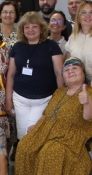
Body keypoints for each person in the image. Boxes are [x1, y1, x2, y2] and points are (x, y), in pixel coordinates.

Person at [14, 57, 92, 175]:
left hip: (77, 135)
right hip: (50, 129)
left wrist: (87, 101)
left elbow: (90, 118)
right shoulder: (60, 91)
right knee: (25, 146)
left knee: (51, 151)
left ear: (83, 73)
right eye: (66, 70)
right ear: (63, 77)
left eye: (75, 68)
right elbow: (48, 113)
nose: (70, 71)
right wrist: (37, 125)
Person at [5, 11, 64, 139]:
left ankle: (33, 158)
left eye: (34, 26)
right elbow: (11, 75)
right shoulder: (17, 47)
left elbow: (59, 73)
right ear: (22, 29)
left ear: (41, 28)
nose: (30, 30)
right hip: (20, 98)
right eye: (27, 27)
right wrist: (8, 100)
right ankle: (24, 158)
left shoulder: (51, 46)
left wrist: (61, 98)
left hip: (43, 99)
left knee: (32, 134)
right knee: (21, 135)